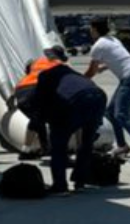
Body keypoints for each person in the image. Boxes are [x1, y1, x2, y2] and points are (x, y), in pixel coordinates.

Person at [25, 62, 108, 196]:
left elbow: (40, 102)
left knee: (58, 145)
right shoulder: (68, 72)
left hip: (75, 102)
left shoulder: (44, 76)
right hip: (98, 97)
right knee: (87, 143)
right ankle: (80, 182)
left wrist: (42, 122)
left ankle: (60, 186)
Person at [84, 16, 130, 164]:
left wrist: (78, 80)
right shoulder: (113, 40)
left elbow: (90, 72)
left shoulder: (98, 46)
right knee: (111, 112)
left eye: (91, 28)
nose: (90, 31)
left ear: (95, 29)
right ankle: (122, 146)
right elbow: (118, 58)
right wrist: (104, 67)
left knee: (121, 114)